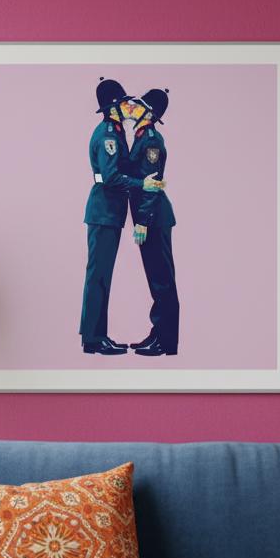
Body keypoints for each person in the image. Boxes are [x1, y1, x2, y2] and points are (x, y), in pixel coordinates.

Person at [80, 78, 164, 355]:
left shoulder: (116, 132)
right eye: (123, 103)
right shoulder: (108, 135)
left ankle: (95, 336)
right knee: (99, 277)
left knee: (101, 277)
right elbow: (113, 176)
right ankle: (93, 339)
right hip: (104, 212)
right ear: (112, 107)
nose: (129, 106)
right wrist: (143, 185)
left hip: (108, 212)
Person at [126, 89, 178, 356]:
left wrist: (143, 221)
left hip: (154, 217)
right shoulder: (140, 137)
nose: (133, 109)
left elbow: (153, 184)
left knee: (162, 280)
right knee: (155, 278)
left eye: (140, 106)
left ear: (150, 114)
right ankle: (158, 333)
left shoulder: (151, 141)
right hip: (149, 216)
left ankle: (166, 341)